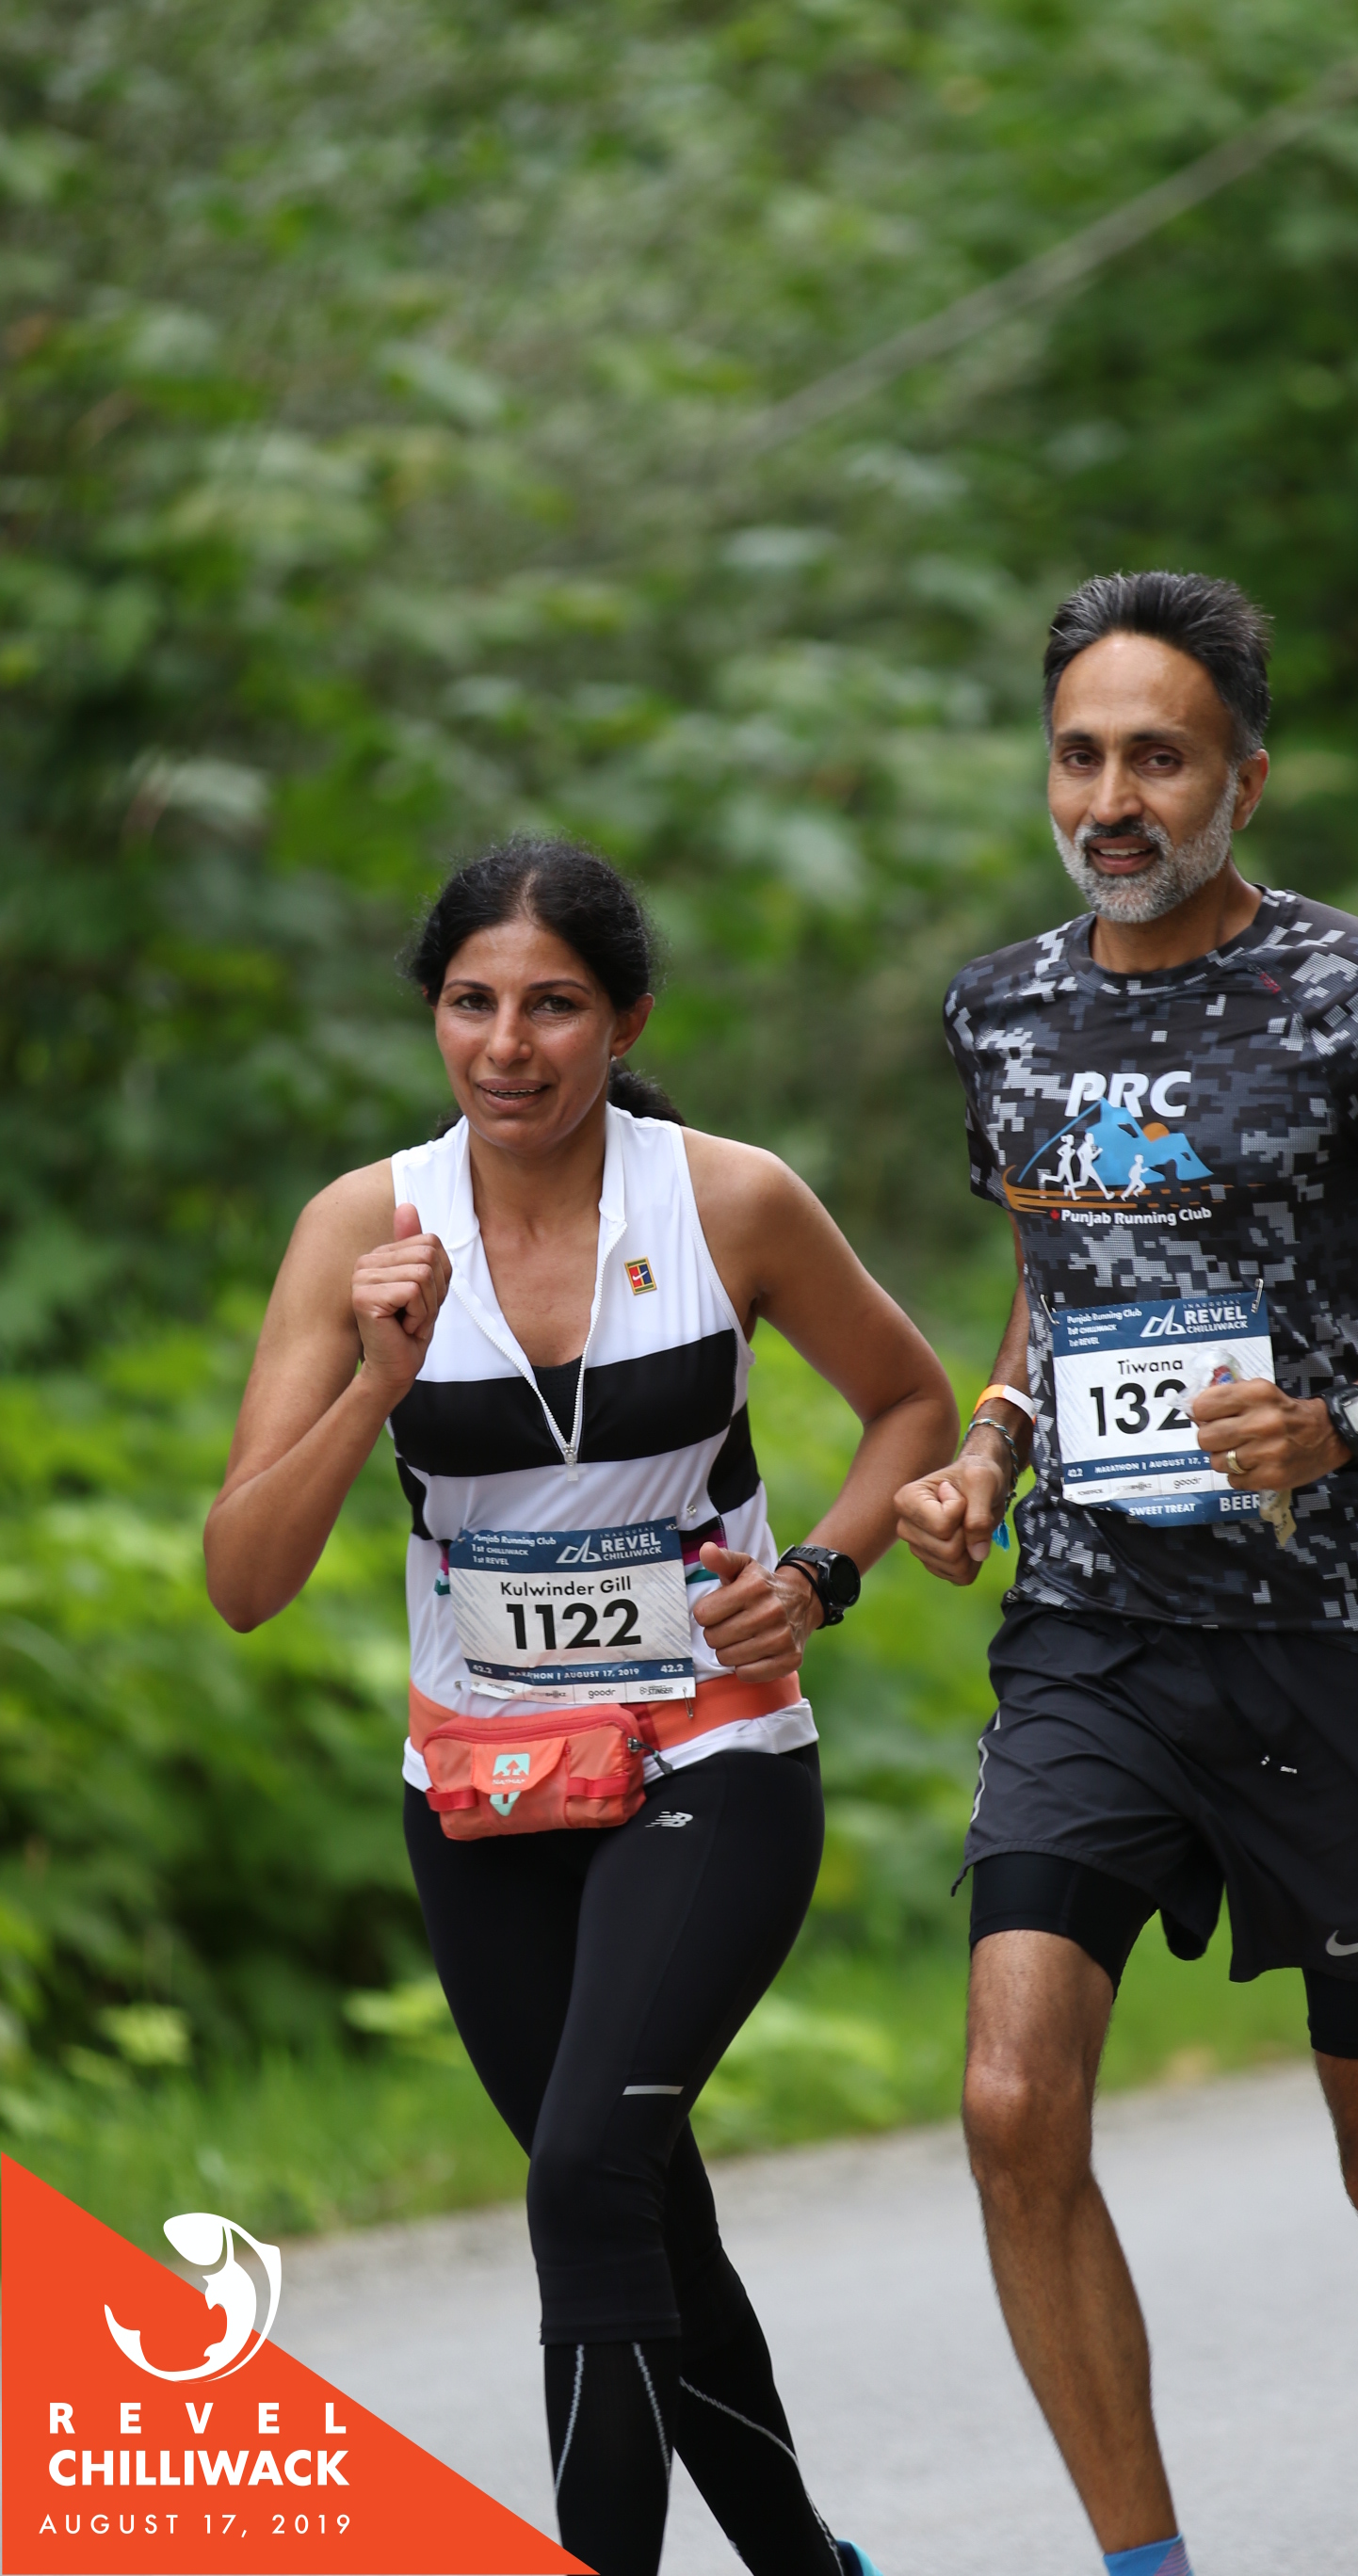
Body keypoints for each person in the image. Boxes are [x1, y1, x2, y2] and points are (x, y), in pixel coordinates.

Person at [896, 572, 1358, 2576]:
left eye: (1159, 758)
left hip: (1322, 1641)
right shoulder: (1000, 1007)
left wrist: (1344, 1421)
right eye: (1080, 756)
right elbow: (1049, 1277)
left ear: (1244, 780)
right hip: (1090, 1636)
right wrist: (990, 1444)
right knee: (1012, 2105)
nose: (1113, 800)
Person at [206, 837, 955, 2576]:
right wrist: (377, 1382)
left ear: (625, 1023)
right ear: (433, 1017)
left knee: (581, 2185)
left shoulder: (729, 1201)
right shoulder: (361, 1229)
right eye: (471, 1003)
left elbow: (911, 1402)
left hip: (713, 1755)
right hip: (483, 1794)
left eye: (552, 1006)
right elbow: (243, 1578)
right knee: (641, 2213)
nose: (507, 1046)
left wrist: (818, 1580)